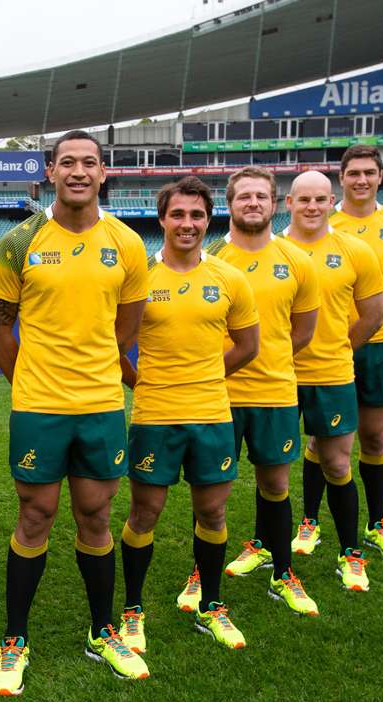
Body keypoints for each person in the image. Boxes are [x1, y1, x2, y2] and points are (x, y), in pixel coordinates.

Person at [0, 130, 150, 696]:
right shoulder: (18, 241)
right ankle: (14, 638)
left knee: (96, 516)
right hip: (39, 408)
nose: (79, 171)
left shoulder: (127, 243)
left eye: (90, 163)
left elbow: (127, 327)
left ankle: (103, 631)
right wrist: (28, 380)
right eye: (67, 162)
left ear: (103, 173)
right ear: (50, 172)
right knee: (35, 515)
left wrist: (94, 367)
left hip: (101, 405)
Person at [119, 176, 259, 658]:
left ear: (208, 220)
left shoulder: (229, 278)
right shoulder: (140, 278)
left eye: (197, 215)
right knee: (145, 513)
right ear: (162, 218)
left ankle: (211, 604)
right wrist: (142, 383)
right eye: (177, 214)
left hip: (212, 416)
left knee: (213, 511)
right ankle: (132, 610)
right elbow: (115, 345)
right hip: (155, 416)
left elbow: (248, 345)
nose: (187, 223)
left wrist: (205, 376)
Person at [206, 167, 320, 630]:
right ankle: (201, 574)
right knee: (212, 495)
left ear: (275, 204)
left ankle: (283, 573)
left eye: (261, 196)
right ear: (229, 204)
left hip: (275, 392)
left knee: (275, 485)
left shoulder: (297, 261)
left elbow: (304, 331)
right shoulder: (210, 257)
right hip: (218, 395)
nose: (253, 203)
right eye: (244, 196)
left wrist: (268, 358)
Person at [283, 170, 383, 592]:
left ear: (332, 202)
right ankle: (267, 546)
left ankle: (350, 553)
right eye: (303, 199)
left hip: (332, 375)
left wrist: (341, 348)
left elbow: (375, 314)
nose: (312, 206)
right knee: (272, 471)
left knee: (338, 463)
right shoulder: (272, 249)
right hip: (278, 378)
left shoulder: (355, 250)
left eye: (320, 199)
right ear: (289, 203)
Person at [328, 145, 383, 561]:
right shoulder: (326, 224)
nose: (361, 180)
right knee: (325, 439)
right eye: (354, 173)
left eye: (369, 172)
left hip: (380, 344)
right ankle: (310, 522)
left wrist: (374, 320)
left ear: (381, 176)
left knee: (375, 436)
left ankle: (377, 523)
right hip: (331, 347)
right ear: (341, 178)